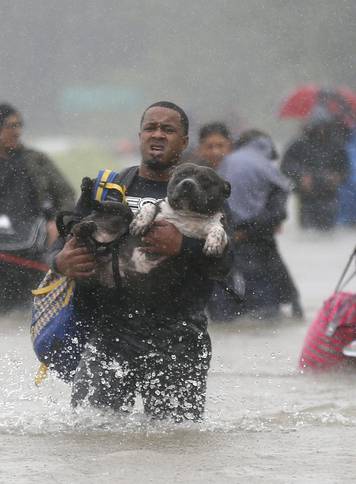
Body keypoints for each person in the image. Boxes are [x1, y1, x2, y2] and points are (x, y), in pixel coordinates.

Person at [50, 101, 232, 422]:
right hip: (109, 334)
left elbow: (230, 266)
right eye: (151, 128)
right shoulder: (107, 188)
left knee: (177, 443)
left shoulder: (208, 195)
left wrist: (184, 246)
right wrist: (60, 261)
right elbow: (60, 244)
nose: (158, 135)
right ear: (140, 135)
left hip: (179, 337)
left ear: (185, 141)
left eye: (168, 129)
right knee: (88, 435)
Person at [217, 129, 303, 319]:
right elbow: (281, 203)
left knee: (230, 302)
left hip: (228, 239)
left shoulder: (227, 162)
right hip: (256, 240)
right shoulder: (265, 166)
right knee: (266, 304)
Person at [0, 103, 76, 244]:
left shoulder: (36, 160)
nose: (17, 132)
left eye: (19, 125)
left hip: (34, 238)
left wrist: (57, 223)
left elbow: (66, 195)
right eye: (11, 126)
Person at [281, 114, 350, 230]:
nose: (321, 130)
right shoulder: (298, 145)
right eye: (317, 127)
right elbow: (286, 166)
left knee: (328, 233)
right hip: (307, 197)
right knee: (308, 232)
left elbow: (344, 168)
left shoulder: (336, 146)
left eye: (323, 127)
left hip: (329, 195)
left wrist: (337, 177)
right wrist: (301, 176)